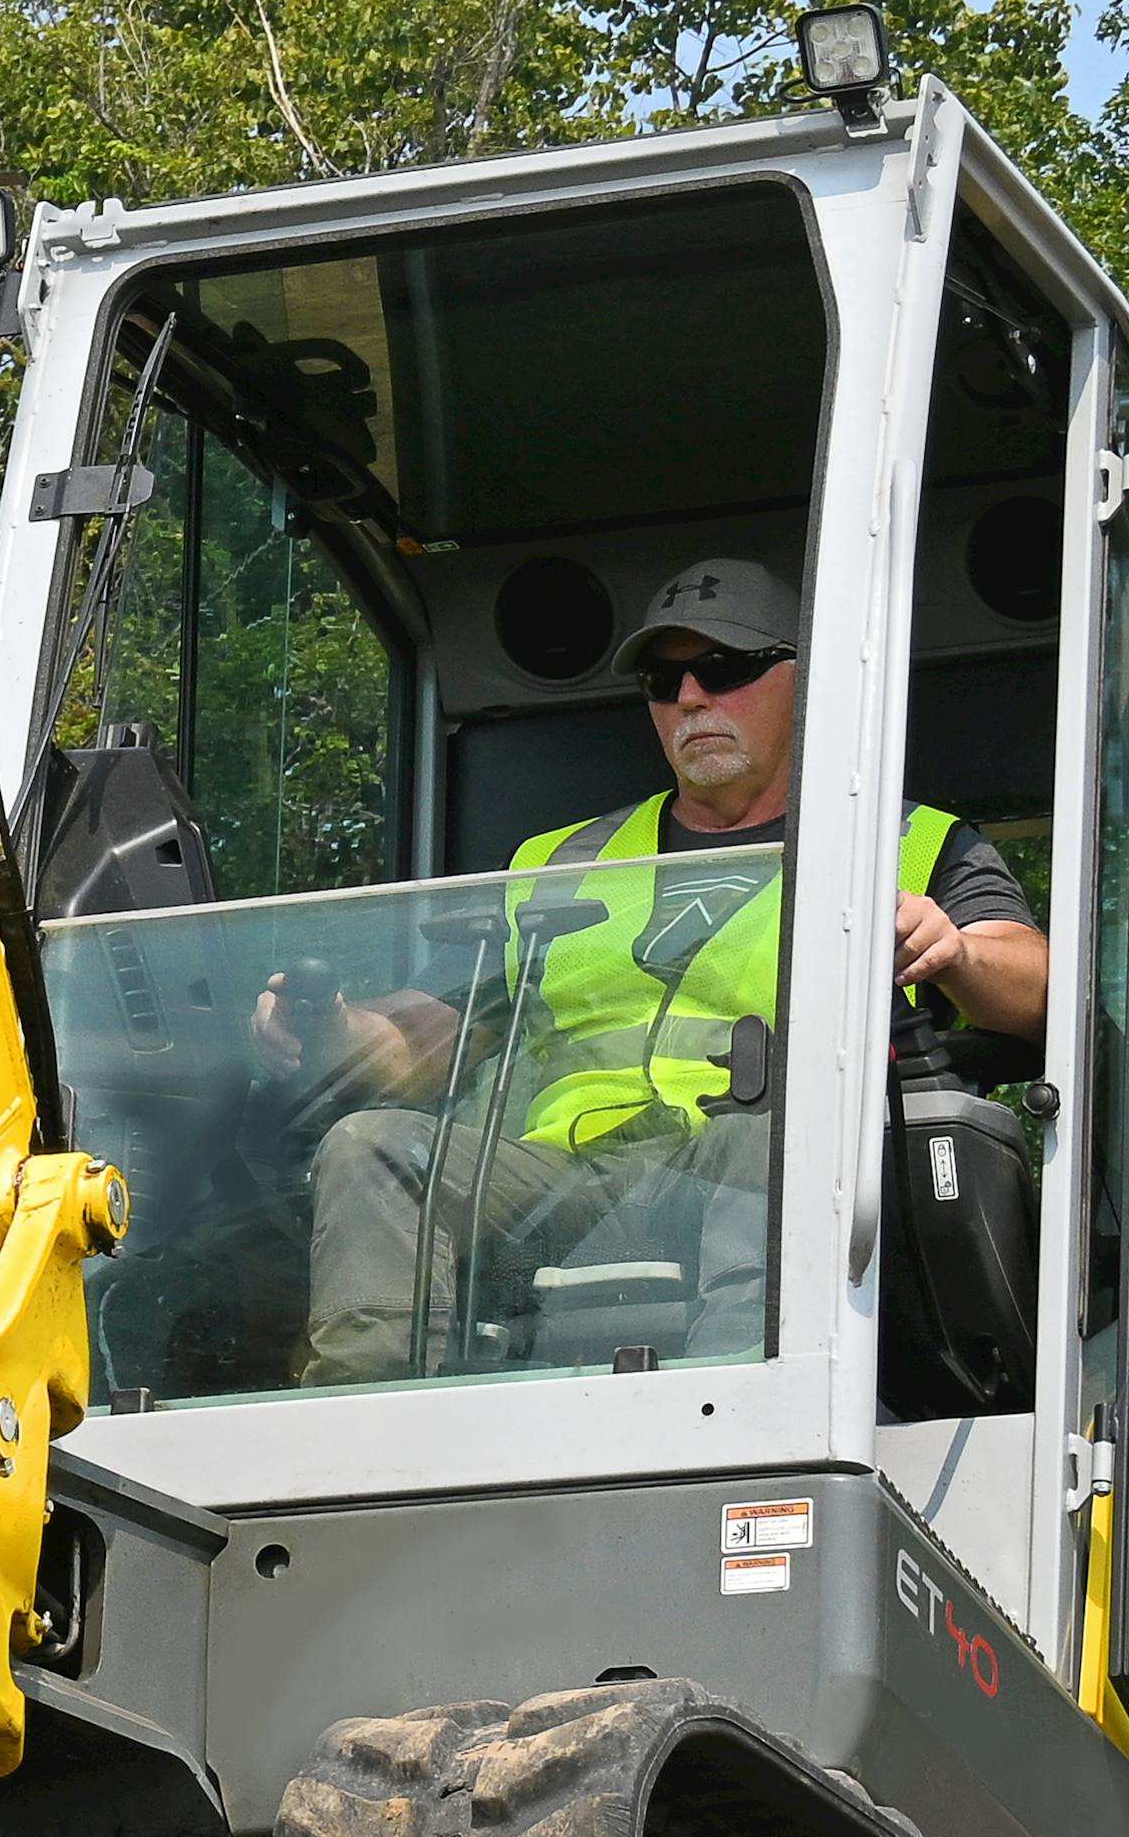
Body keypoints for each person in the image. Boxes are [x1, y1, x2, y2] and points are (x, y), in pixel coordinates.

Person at [286, 554, 1045, 1382]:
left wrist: (959, 950)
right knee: (371, 1146)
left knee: (774, 1136)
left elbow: (1039, 990)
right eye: (663, 679)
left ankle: (747, 1425)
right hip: (564, 1182)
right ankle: (378, 1451)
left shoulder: (904, 844)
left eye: (723, 669)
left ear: (813, 679)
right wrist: (330, 1025)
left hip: (754, 1165)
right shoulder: (558, 862)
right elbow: (430, 1034)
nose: (690, 698)